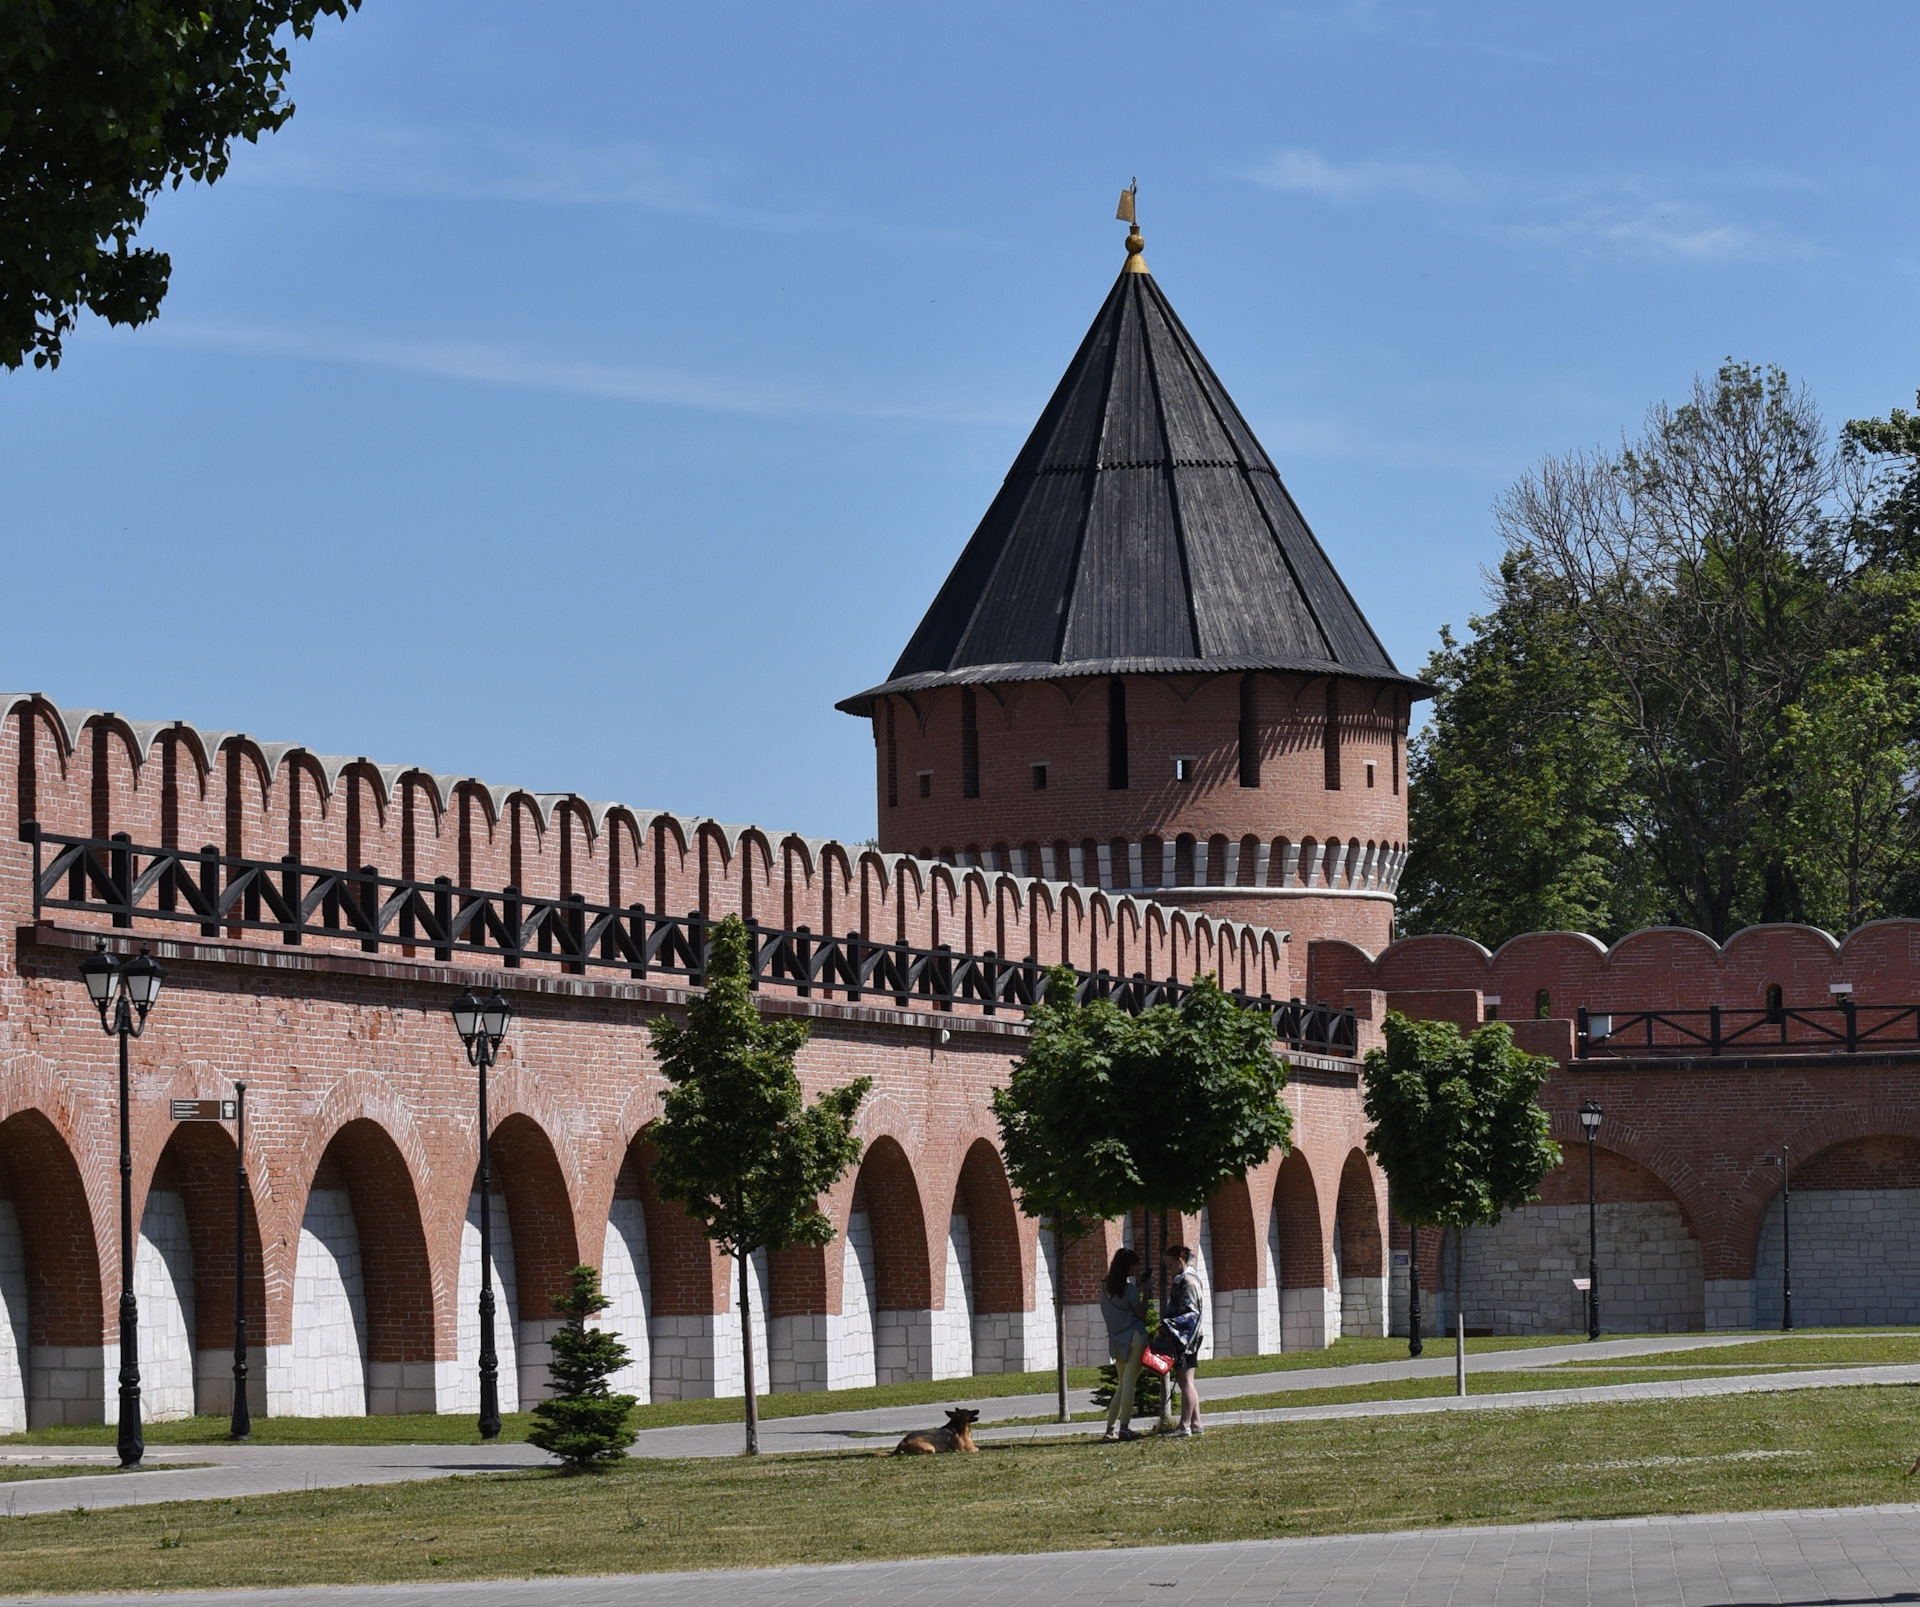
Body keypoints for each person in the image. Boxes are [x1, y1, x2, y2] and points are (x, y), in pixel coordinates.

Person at [1099, 1246, 1147, 1442]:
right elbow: (1141, 1314)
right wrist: (1147, 1293)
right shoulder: (1130, 1290)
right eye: (1134, 1266)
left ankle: (1110, 1429)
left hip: (1117, 1342)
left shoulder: (1104, 1288)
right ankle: (1125, 1428)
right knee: (1129, 1384)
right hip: (1135, 1337)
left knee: (1122, 1385)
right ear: (1127, 1267)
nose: (1135, 1270)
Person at [1161, 1243, 1205, 1437]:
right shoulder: (1184, 1279)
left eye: (1170, 1264)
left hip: (1188, 1338)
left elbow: (1192, 1313)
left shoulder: (1188, 1281)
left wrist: (1169, 1324)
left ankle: (1184, 1425)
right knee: (1186, 1380)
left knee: (1185, 1380)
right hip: (1187, 1337)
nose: (1169, 1269)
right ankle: (1196, 1423)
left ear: (1180, 1261)